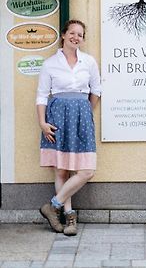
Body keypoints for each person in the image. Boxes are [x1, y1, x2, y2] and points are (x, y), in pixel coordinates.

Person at [36, 19, 101, 236]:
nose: (76, 37)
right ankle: (68, 217)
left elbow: (96, 90)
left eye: (80, 35)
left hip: (81, 117)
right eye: (72, 33)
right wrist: (43, 123)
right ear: (64, 35)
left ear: (83, 39)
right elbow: (42, 96)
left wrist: (85, 112)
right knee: (62, 169)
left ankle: (52, 206)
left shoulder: (89, 62)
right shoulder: (50, 64)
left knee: (86, 170)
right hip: (57, 118)